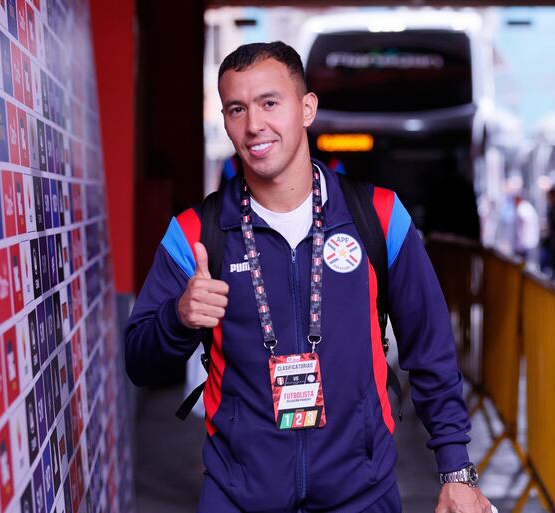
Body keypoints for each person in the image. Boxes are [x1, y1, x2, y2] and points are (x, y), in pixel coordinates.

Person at [125, 41, 491, 513]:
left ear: (306, 108)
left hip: (362, 496)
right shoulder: (196, 233)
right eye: (237, 109)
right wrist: (179, 317)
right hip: (238, 497)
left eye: (269, 103)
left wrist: (456, 471)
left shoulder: (377, 217)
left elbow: (431, 347)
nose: (254, 124)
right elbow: (139, 362)